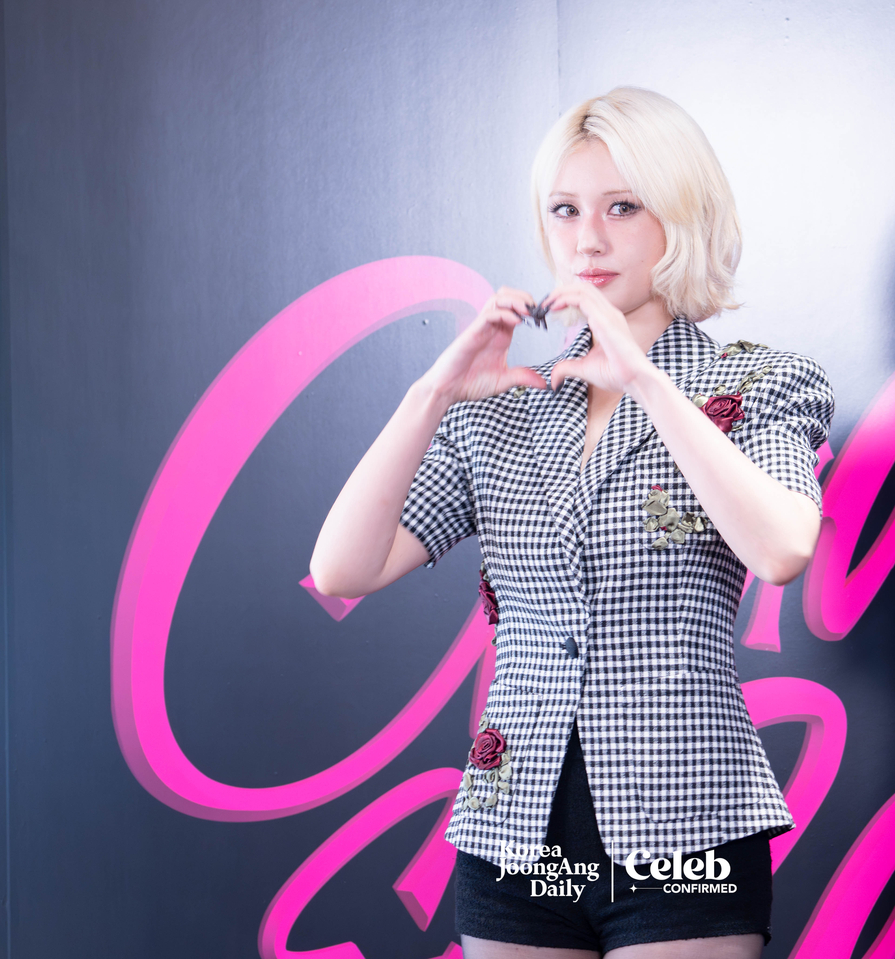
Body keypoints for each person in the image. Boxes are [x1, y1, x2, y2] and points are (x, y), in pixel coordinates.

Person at [310, 87, 833, 958]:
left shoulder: (762, 381)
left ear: (683, 217)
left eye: (622, 207)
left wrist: (644, 378)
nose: (587, 239)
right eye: (565, 210)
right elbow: (341, 568)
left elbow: (781, 547)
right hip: (513, 835)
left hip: (685, 829)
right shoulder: (505, 408)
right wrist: (429, 394)